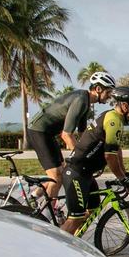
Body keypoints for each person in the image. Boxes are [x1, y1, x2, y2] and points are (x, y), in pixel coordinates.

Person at [27, 71, 116, 217]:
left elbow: (83, 134)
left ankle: (33, 196)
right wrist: (81, 158)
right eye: (108, 92)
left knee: (61, 173)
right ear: (98, 89)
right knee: (56, 177)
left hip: (48, 134)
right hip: (39, 131)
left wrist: (92, 152)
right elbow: (66, 135)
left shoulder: (86, 102)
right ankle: (47, 216)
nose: (109, 96)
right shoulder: (81, 100)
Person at [58, 86, 129, 235]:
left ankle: (73, 241)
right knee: (74, 219)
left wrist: (124, 174)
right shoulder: (113, 120)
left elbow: (116, 150)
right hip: (76, 173)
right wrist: (122, 178)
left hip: (86, 174)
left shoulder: (114, 118)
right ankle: (56, 246)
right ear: (125, 106)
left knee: (92, 210)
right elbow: (109, 156)